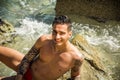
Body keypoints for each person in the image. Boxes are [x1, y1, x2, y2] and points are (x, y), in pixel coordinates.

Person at [0, 15, 84, 80]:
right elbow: (27, 59)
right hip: (27, 69)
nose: (57, 37)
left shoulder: (76, 58)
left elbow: (75, 76)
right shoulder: (44, 40)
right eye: (54, 32)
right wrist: (19, 77)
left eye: (62, 33)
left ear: (70, 34)